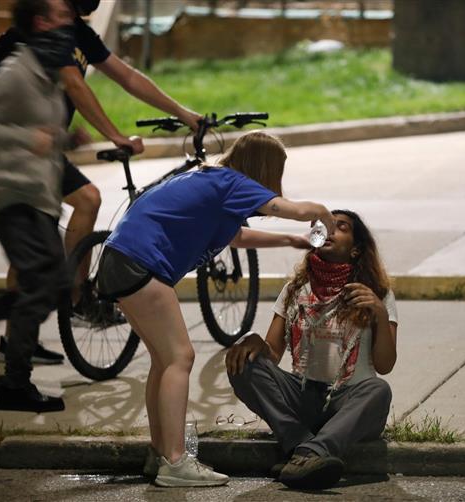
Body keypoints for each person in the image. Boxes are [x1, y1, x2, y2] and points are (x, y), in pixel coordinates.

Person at [96, 130, 336, 487]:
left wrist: (291, 240)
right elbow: (299, 211)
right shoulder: (232, 182)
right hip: (140, 263)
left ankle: (161, 455)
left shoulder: (215, 181)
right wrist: (323, 216)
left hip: (120, 259)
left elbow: (235, 236)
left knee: (165, 361)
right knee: (180, 357)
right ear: (265, 168)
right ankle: (176, 463)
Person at [0, 0, 202, 366]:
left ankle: (21, 337)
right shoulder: (46, 25)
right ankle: (78, 299)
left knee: (54, 228)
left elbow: (126, 76)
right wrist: (115, 136)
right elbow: (74, 85)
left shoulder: (77, 30)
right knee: (81, 204)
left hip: (40, 148)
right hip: (19, 147)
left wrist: (181, 112)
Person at [0, 0, 87, 412]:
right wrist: (28, 140)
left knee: (54, 284)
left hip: (37, 198)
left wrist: (63, 140)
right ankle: (13, 382)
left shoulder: (45, 76)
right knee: (44, 283)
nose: (70, 22)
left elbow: (36, 130)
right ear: (41, 22)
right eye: (62, 16)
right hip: (11, 197)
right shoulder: (14, 72)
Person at [225, 209, 398, 490]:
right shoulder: (295, 290)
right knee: (244, 363)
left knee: (379, 390)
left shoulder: (377, 293)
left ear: (355, 250)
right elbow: (272, 352)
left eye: (339, 226)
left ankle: (305, 452)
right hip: (303, 396)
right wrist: (255, 342)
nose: (328, 230)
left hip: (349, 400)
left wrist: (378, 312)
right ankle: (305, 448)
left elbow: (385, 365)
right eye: (323, 226)